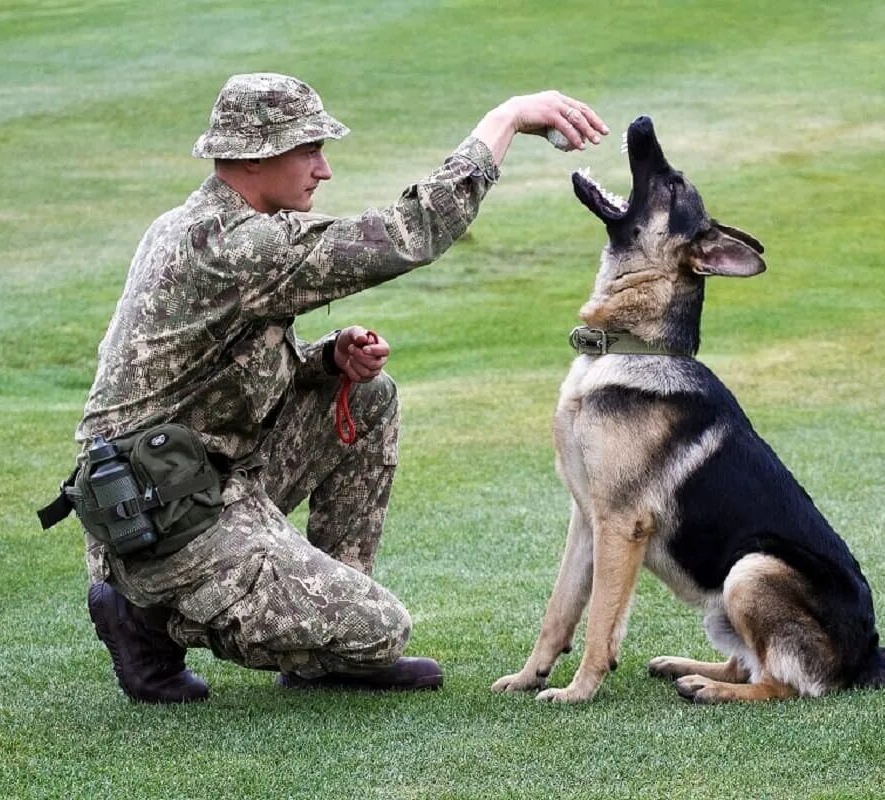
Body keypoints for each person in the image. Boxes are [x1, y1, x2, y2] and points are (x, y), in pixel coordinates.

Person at [72, 73, 609, 703]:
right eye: (309, 150)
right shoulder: (236, 245)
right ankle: (146, 617)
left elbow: (211, 380)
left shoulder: (196, 224)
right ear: (256, 154)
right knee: (383, 631)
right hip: (165, 517)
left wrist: (326, 359)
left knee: (367, 397)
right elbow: (411, 232)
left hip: (196, 476)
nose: (323, 169)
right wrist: (507, 118)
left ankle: (320, 648)